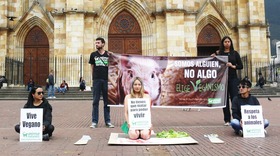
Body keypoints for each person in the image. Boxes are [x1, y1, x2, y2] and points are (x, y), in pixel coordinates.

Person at [212, 36, 243, 126]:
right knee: (224, 100)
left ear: (231, 43)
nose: (227, 43)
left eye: (228, 41)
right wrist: (213, 57)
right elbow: (213, 63)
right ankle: (227, 119)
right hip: (222, 79)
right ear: (222, 43)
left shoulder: (235, 53)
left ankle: (236, 118)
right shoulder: (219, 53)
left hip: (233, 78)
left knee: (234, 98)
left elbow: (241, 66)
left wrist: (232, 66)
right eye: (225, 42)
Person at [88, 37, 114, 128]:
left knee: (107, 102)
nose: (96, 44)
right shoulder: (93, 55)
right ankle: (94, 121)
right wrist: (93, 78)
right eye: (96, 43)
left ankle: (108, 121)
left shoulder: (108, 54)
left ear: (103, 44)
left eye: (98, 43)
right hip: (97, 80)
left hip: (106, 80)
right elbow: (92, 67)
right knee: (95, 101)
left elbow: (115, 64)